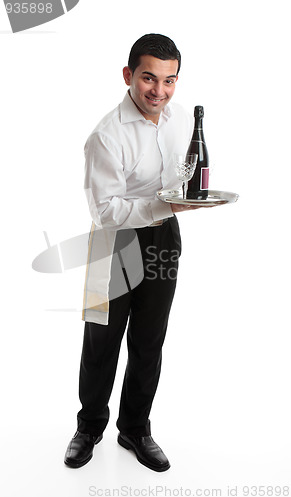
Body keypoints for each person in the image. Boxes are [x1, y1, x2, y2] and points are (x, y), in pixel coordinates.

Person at [64, 33, 202, 473]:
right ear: (128, 76)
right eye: (148, 78)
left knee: (149, 339)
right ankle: (89, 427)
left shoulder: (180, 119)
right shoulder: (106, 135)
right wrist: (166, 203)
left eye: (169, 80)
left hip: (164, 238)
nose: (158, 91)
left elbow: (185, 174)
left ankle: (135, 428)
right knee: (102, 340)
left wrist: (193, 192)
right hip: (117, 242)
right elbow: (104, 211)